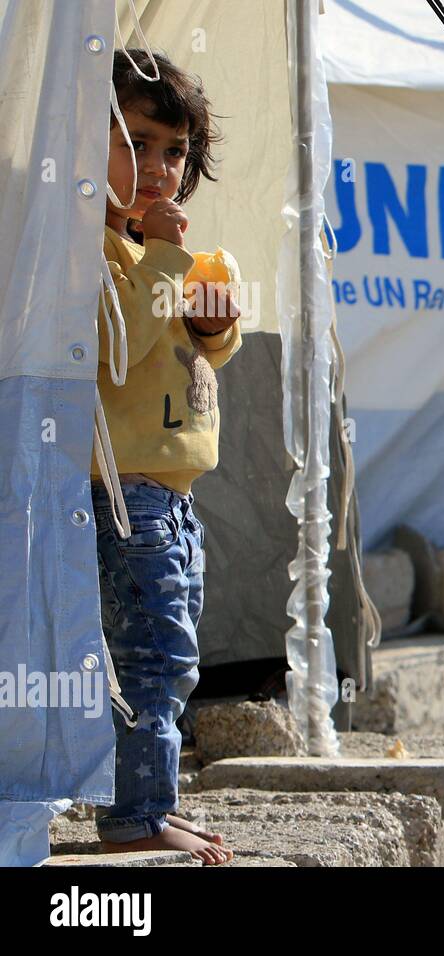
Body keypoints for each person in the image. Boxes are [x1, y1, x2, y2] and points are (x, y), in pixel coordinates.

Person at [94, 48, 240, 865]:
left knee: (171, 654)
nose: (158, 168)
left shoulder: (151, 249)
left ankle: (151, 802)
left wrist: (215, 326)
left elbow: (185, 356)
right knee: (152, 654)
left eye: (175, 152)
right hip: (122, 491)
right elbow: (118, 349)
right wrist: (162, 260)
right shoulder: (98, 249)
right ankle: (136, 814)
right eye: (136, 144)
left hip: (174, 493)